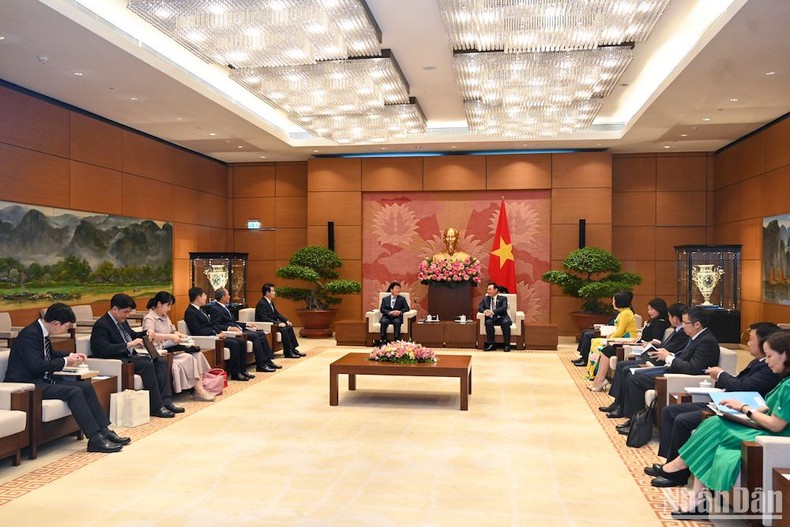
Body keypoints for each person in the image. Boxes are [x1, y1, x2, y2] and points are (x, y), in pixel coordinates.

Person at [655, 331, 790, 519]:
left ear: (784, 354)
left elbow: (776, 425)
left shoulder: (789, 385)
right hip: (763, 428)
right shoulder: (784, 380)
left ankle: (681, 467)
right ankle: (695, 499)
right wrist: (739, 409)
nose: (767, 361)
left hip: (773, 437)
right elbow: (767, 407)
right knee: (714, 423)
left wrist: (744, 409)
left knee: (715, 427)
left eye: (769, 356)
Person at [4, 303, 129, 453]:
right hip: (26, 385)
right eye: (66, 327)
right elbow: (36, 365)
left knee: (86, 386)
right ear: (56, 323)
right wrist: (66, 362)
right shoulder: (29, 335)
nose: (66, 330)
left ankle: (104, 430)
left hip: (41, 379)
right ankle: (95, 439)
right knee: (74, 392)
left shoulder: (41, 332)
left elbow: (49, 355)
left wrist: (69, 356)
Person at [612, 306, 720, 435]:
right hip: (673, 371)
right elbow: (685, 358)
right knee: (631, 373)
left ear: (697, 324)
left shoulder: (706, 341)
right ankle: (633, 420)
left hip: (680, 377)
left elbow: (693, 368)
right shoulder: (696, 337)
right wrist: (670, 355)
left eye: (685, 323)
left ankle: (637, 425)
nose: (683, 326)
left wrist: (668, 358)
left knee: (635, 379)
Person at [91, 293, 184, 418]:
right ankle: (156, 407)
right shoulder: (102, 325)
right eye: (125, 312)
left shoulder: (122, 321)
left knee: (161, 362)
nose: (127, 315)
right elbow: (102, 349)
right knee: (147, 365)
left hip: (129, 356)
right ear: (114, 309)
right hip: (116, 359)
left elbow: (133, 335)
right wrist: (128, 345)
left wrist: (147, 332)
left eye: (129, 312)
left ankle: (167, 401)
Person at [599, 302, 690, 417]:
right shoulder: (677, 331)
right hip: (656, 358)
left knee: (627, 370)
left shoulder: (683, 334)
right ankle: (618, 403)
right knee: (622, 365)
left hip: (661, 362)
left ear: (675, 318)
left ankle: (626, 412)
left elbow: (669, 350)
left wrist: (655, 348)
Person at [141, 291, 215, 401]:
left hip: (171, 348)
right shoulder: (149, 318)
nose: (169, 309)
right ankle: (199, 390)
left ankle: (199, 388)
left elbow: (173, 331)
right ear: (159, 304)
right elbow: (150, 336)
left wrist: (181, 335)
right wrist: (170, 336)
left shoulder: (165, 317)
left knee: (197, 354)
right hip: (160, 351)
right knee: (189, 358)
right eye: (168, 305)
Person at [184, 287, 251, 382]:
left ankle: (242, 370)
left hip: (214, 336)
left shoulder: (201, 310)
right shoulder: (190, 312)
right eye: (204, 296)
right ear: (198, 297)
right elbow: (197, 330)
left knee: (241, 342)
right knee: (235, 344)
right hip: (207, 339)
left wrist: (219, 332)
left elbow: (211, 324)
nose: (205, 298)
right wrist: (215, 334)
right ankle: (235, 373)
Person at [207, 287, 279, 372]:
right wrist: (229, 328)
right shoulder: (215, 309)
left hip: (238, 329)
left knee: (261, 333)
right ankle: (261, 364)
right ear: (223, 297)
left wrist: (246, 324)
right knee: (255, 336)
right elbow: (216, 324)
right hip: (233, 332)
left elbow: (233, 322)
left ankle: (267, 361)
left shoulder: (225, 307)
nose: (230, 297)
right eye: (228, 295)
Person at [587, 292, 638, 391]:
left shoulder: (626, 313)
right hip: (621, 339)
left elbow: (620, 331)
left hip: (626, 341)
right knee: (601, 347)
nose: (612, 302)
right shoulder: (623, 312)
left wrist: (609, 338)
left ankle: (600, 379)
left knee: (605, 349)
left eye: (614, 300)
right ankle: (598, 379)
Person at [255, 283, 305, 359]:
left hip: (273, 323)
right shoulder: (261, 304)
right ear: (267, 293)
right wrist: (278, 323)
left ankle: (293, 349)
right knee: (283, 329)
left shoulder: (270, 302)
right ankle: (287, 352)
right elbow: (264, 318)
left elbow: (277, 314)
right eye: (273, 291)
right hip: (266, 325)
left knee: (288, 326)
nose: (275, 293)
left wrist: (286, 320)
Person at [478, 282, 512, 352]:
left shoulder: (503, 298)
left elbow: (503, 308)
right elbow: (480, 307)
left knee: (505, 323)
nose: (488, 291)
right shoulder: (486, 298)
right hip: (492, 318)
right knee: (488, 322)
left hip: (502, 318)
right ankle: (491, 344)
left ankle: (507, 345)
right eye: (487, 290)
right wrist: (485, 311)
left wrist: (492, 312)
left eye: (490, 289)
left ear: (496, 290)